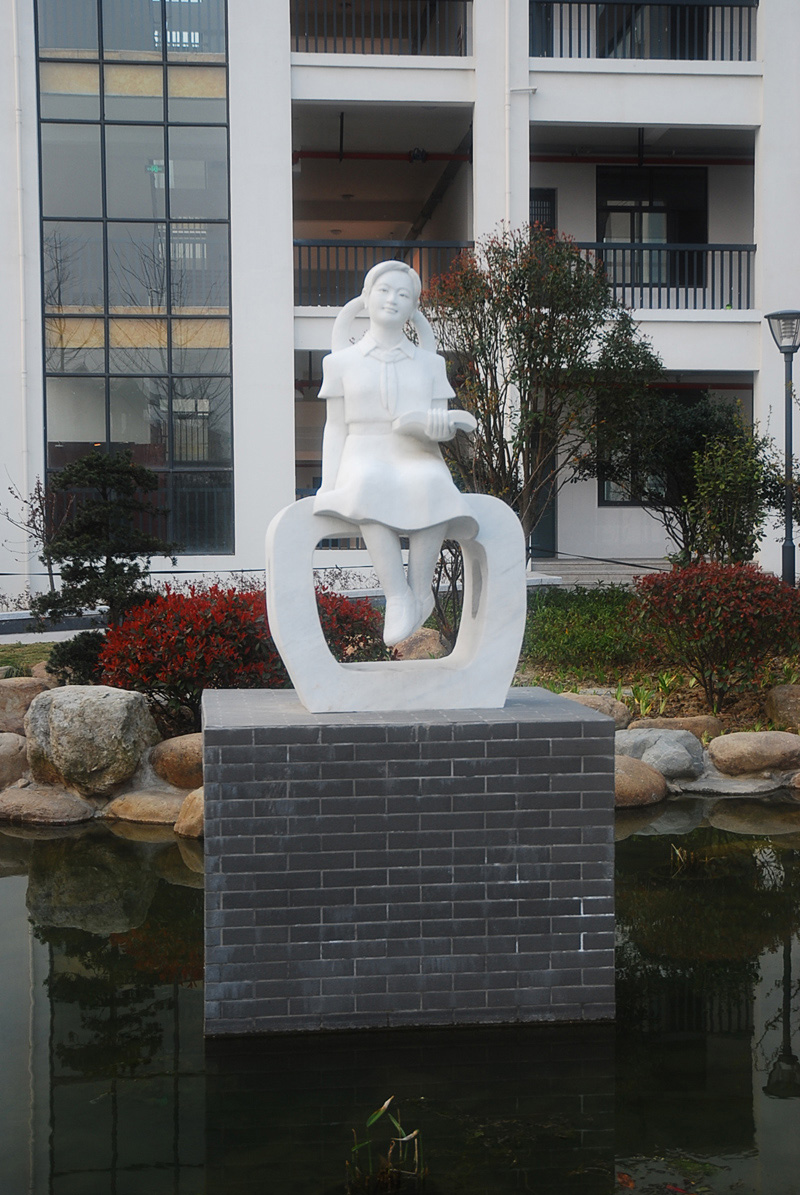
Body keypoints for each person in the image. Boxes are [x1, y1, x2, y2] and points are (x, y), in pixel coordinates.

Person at [314, 260, 476, 646]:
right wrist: (328, 483)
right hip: (362, 451)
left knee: (433, 481)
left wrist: (441, 428)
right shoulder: (340, 362)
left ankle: (420, 589)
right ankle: (397, 595)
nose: (392, 300)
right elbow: (335, 426)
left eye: (403, 295)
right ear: (366, 298)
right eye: (384, 291)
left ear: (414, 307)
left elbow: (439, 421)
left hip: (416, 450)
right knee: (369, 481)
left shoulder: (430, 364)